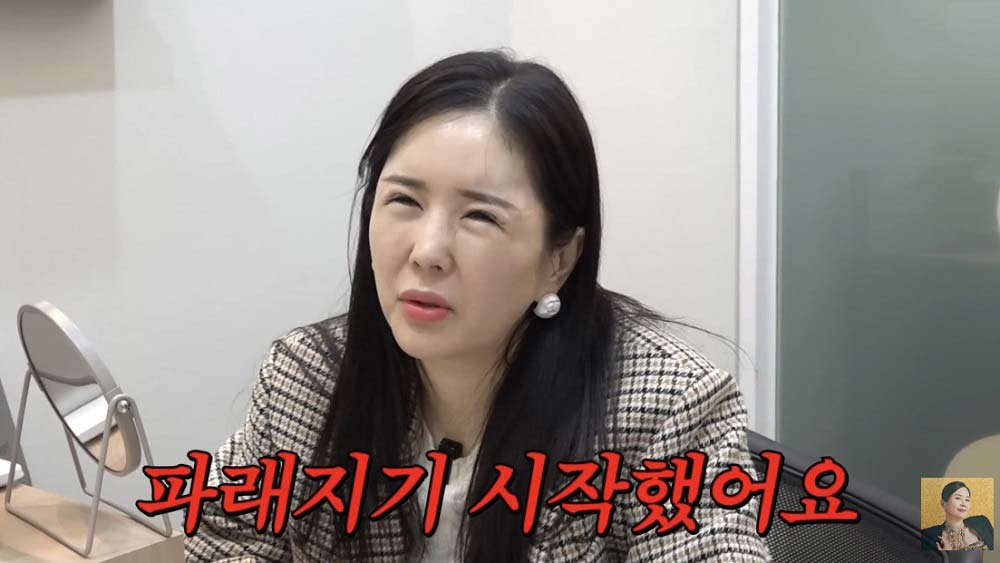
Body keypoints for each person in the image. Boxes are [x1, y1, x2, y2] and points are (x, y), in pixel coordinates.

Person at [184, 49, 772, 563]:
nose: (427, 252)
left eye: (480, 216)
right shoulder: (309, 377)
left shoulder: (665, 408)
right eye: (404, 201)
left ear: (559, 259)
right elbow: (224, 537)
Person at [921, 481, 994, 551]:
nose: (963, 504)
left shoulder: (982, 522)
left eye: (967, 500)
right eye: (958, 498)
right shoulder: (927, 535)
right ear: (943, 504)